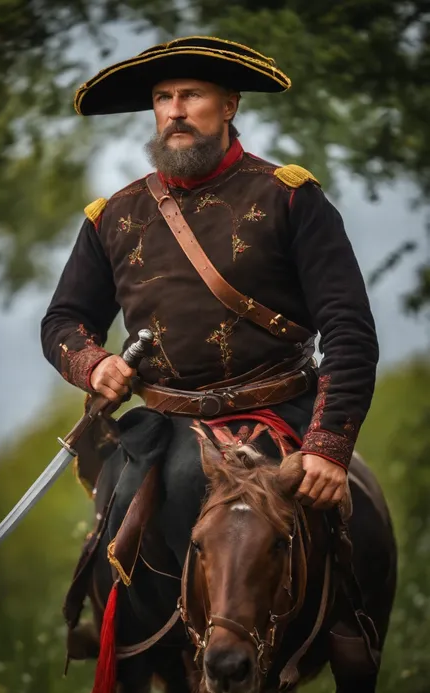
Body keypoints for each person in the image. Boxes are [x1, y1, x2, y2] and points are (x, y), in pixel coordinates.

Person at [41, 35, 378, 514]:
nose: (175, 111)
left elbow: (349, 329)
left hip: (282, 420)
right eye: (163, 98)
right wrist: (95, 364)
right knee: (113, 540)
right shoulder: (111, 217)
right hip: (163, 427)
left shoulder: (290, 199)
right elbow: (64, 320)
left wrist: (327, 446)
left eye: (191, 95)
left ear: (229, 106)